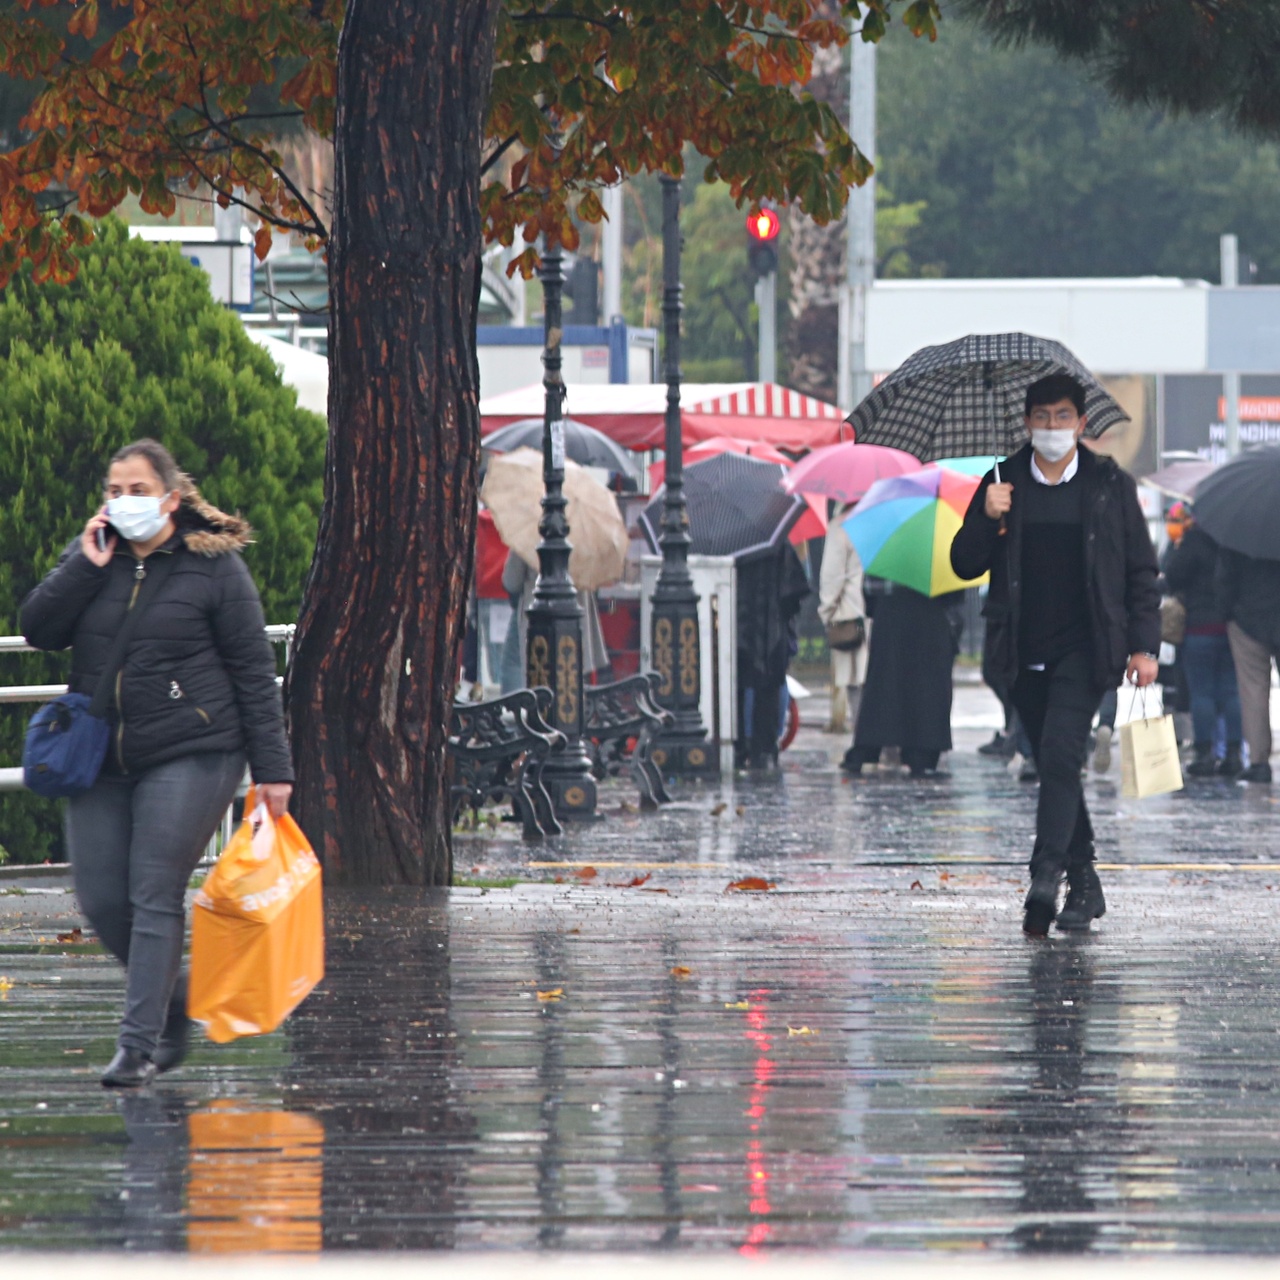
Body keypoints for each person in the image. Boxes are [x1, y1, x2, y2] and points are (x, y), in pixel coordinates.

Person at [21, 439, 294, 1088]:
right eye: (114, 491)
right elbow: (39, 629)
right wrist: (84, 568)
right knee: (100, 897)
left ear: (171, 500)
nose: (123, 502)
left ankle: (136, 1045)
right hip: (102, 756)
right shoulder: (94, 556)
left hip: (194, 750)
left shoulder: (215, 568)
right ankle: (173, 1002)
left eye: (137, 491)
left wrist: (273, 770)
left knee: (153, 892)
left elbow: (254, 672)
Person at [951, 374, 1160, 937]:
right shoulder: (1001, 480)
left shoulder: (1108, 483)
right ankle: (1086, 881)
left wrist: (1144, 645)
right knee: (1053, 765)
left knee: (1063, 756)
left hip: (1087, 648)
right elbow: (963, 564)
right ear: (1026, 423)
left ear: (1082, 423)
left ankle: (1045, 880)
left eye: (1062, 416)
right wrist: (986, 517)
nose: (1051, 427)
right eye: (1040, 417)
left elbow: (1141, 569)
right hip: (1020, 653)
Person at [842, 578, 963, 778]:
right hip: (931, 616)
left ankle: (867, 747)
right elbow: (956, 592)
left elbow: (870, 591)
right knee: (927, 688)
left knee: (884, 685)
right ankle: (922, 753)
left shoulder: (888, 550)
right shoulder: (941, 550)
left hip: (890, 615)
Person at [1162, 503, 1242, 777]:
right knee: (1231, 692)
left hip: (1198, 628)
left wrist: (1179, 546)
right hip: (1230, 628)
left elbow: (1172, 576)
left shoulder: (1193, 540)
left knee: (1202, 693)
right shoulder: (1232, 539)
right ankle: (1233, 755)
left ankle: (1204, 755)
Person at [1219, 544, 1280, 784]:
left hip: (1248, 618)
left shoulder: (1242, 531)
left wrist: (1227, 612)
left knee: (1253, 691)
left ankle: (1259, 762)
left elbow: (1224, 577)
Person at [817, 503, 869, 745]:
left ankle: (865, 742)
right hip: (881, 615)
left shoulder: (842, 525)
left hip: (850, 616)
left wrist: (827, 613)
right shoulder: (885, 517)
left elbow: (832, 578)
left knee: (855, 684)